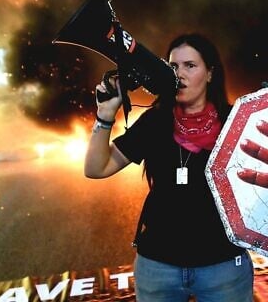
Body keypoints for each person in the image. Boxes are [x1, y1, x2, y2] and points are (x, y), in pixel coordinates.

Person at [84, 33, 254, 302]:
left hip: (222, 267)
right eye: (173, 67)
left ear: (210, 74)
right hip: (158, 268)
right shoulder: (155, 121)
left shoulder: (237, 122)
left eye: (190, 66)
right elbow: (96, 168)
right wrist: (105, 116)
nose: (180, 74)